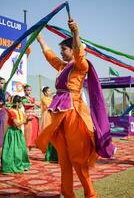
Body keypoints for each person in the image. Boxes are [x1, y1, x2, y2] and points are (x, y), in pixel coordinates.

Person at [36, 18, 98, 198]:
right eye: (61, 50)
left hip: (74, 114)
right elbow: (51, 57)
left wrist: (76, 33)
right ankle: (68, 194)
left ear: (72, 49)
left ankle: (90, 194)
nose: (61, 53)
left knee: (78, 160)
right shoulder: (63, 67)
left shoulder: (80, 66)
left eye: (64, 49)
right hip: (59, 115)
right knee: (64, 160)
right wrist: (40, 40)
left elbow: (80, 54)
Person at [1, 95, 30, 174]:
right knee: (11, 150)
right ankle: (10, 166)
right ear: (17, 103)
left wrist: (27, 120)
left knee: (21, 149)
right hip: (12, 133)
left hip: (19, 133)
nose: (22, 105)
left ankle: (22, 164)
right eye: (21, 103)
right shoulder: (11, 111)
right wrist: (24, 120)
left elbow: (24, 122)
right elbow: (16, 123)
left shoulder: (20, 111)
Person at [41, 86, 58, 163]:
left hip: (53, 116)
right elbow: (49, 106)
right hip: (47, 116)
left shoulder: (51, 99)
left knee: (54, 135)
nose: (50, 92)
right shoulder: (44, 98)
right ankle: (48, 155)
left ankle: (54, 155)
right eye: (48, 91)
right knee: (49, 135)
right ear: (45, 92)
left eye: (50, 91)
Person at [22, 84, 40, 150]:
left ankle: (32, 145)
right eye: (27, 90)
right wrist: (33, 104)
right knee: (28, 130)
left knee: (34, 130)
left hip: (34, 115)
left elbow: (38, 104)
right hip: (27, 115)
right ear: (24, 91)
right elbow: (25, 104)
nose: (29, 91)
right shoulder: (23, 98)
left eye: (30, 90)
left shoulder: (32, 98)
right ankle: (26, 145)